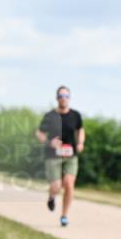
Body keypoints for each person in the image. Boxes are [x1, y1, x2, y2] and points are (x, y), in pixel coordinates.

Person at [36, 85, 84, 227]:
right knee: (56, 187)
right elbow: (39, 133)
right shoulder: (50, 116)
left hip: (70, 155)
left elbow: (80, 129)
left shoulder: (75, 115)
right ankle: (52, 196)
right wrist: (49, 141)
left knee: (69, 184)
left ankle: (64, 216)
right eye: (61, 96)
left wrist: (80, 142)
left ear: (69, 98)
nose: (64, 98)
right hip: (53, 155)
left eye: (66, 96)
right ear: (57, 98)